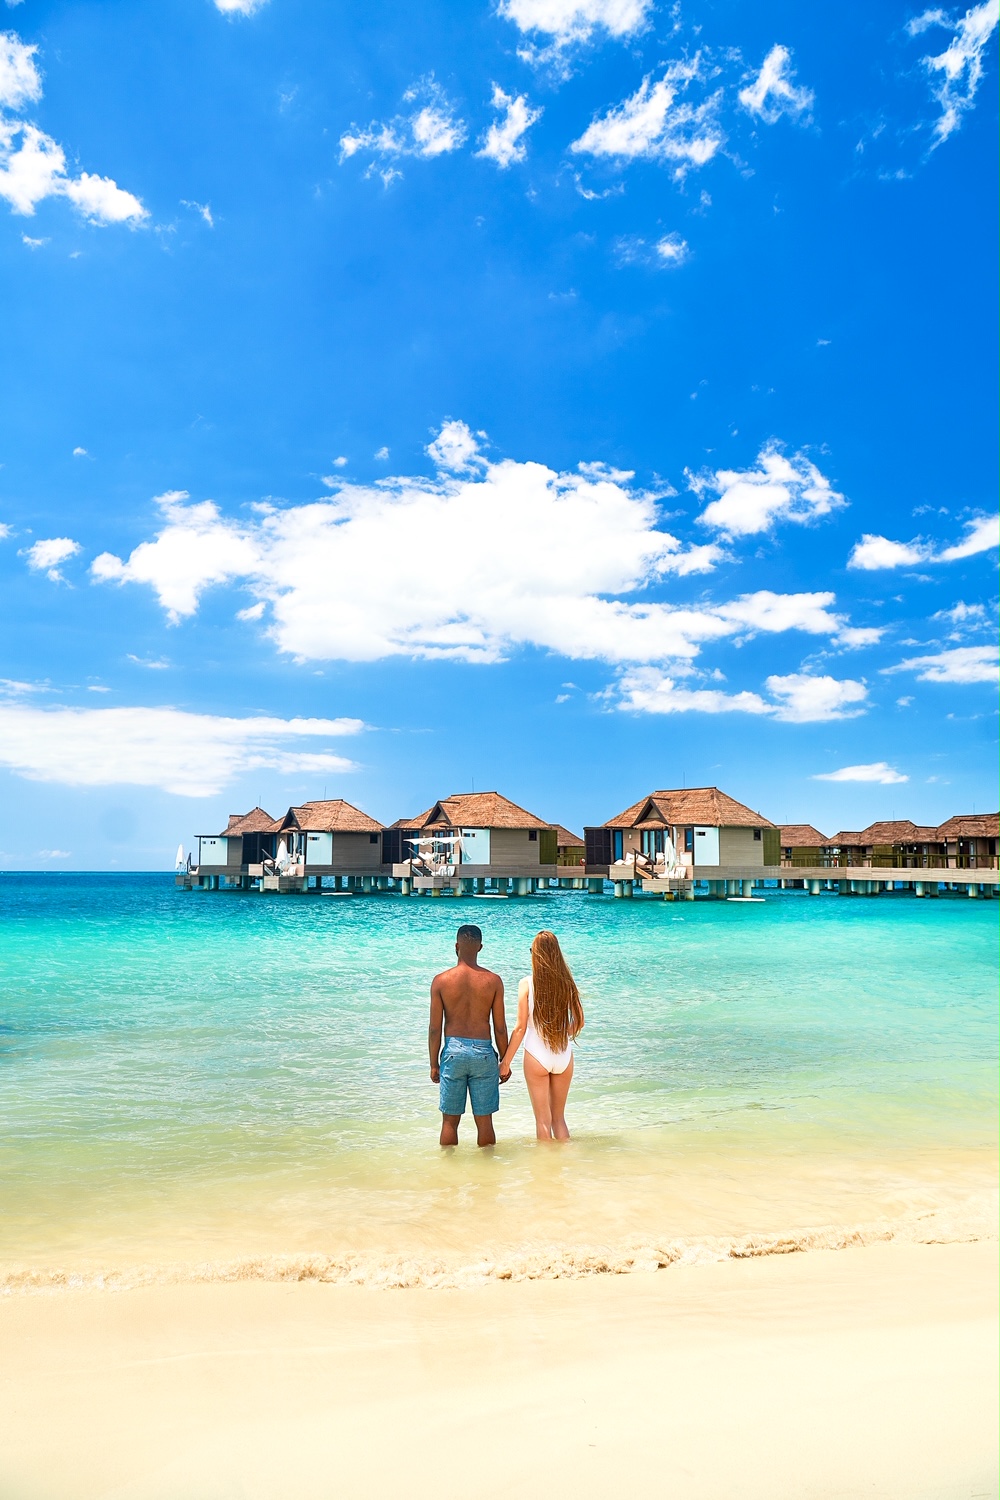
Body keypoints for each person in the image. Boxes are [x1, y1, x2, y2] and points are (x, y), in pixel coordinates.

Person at [429, 925, 509, 1147]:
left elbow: (435, 1028)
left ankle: (448, 1173)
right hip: (483, 1054)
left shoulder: (441, 981)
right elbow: (500, 1028)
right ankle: (487, 1174)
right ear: (480, 948)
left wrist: (434, 1064)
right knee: (485, 1122)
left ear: (456, 946)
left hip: (453, 1053)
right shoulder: (493, 981)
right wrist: (505, 1060)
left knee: (449, 1122)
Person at [500, 930, 584, 1141]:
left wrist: (505, 1063)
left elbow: (520, 1028)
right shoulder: (567, 982)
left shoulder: (526, 984)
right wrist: (563, 1033)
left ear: (535, 954)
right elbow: (579, 1020)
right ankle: (566, 1164)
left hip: (537, 1055)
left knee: (542, 1121)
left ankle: (545, 1171)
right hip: (563, 1055)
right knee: (559, 1119)